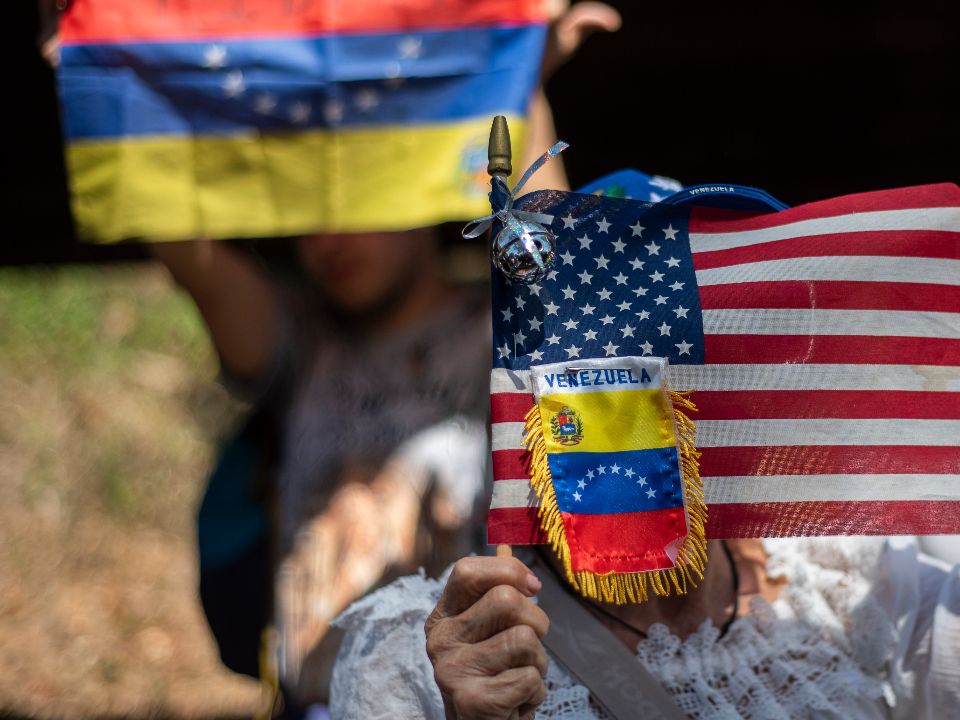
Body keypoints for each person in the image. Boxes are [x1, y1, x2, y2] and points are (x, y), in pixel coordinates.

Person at [329, 127, 960, 719]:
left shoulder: (857, 601)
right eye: (623, 364)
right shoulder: (421, 654)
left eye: (722, 351)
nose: (679, 394)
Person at [140, 4, 623, 709]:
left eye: (359, 193)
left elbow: (548, 259)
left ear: (423, 184)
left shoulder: (497, 335)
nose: (329, 232)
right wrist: (112, 78)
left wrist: (517, 82)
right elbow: (193, 257)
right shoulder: (303, 349)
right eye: (308, 206)